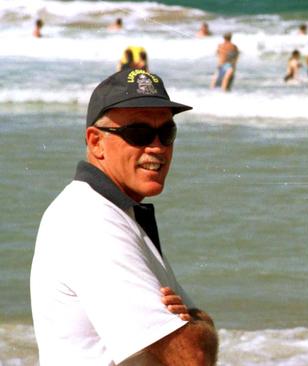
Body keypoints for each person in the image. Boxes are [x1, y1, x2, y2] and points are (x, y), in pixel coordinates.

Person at [30, 68, 218, 365]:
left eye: (166, 132)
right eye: (139, 133)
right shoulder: (90, 221)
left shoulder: (115, 211)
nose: (157, 147)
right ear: (96, 142)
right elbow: (193, 356)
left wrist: (194, 321)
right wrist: (201, 322)